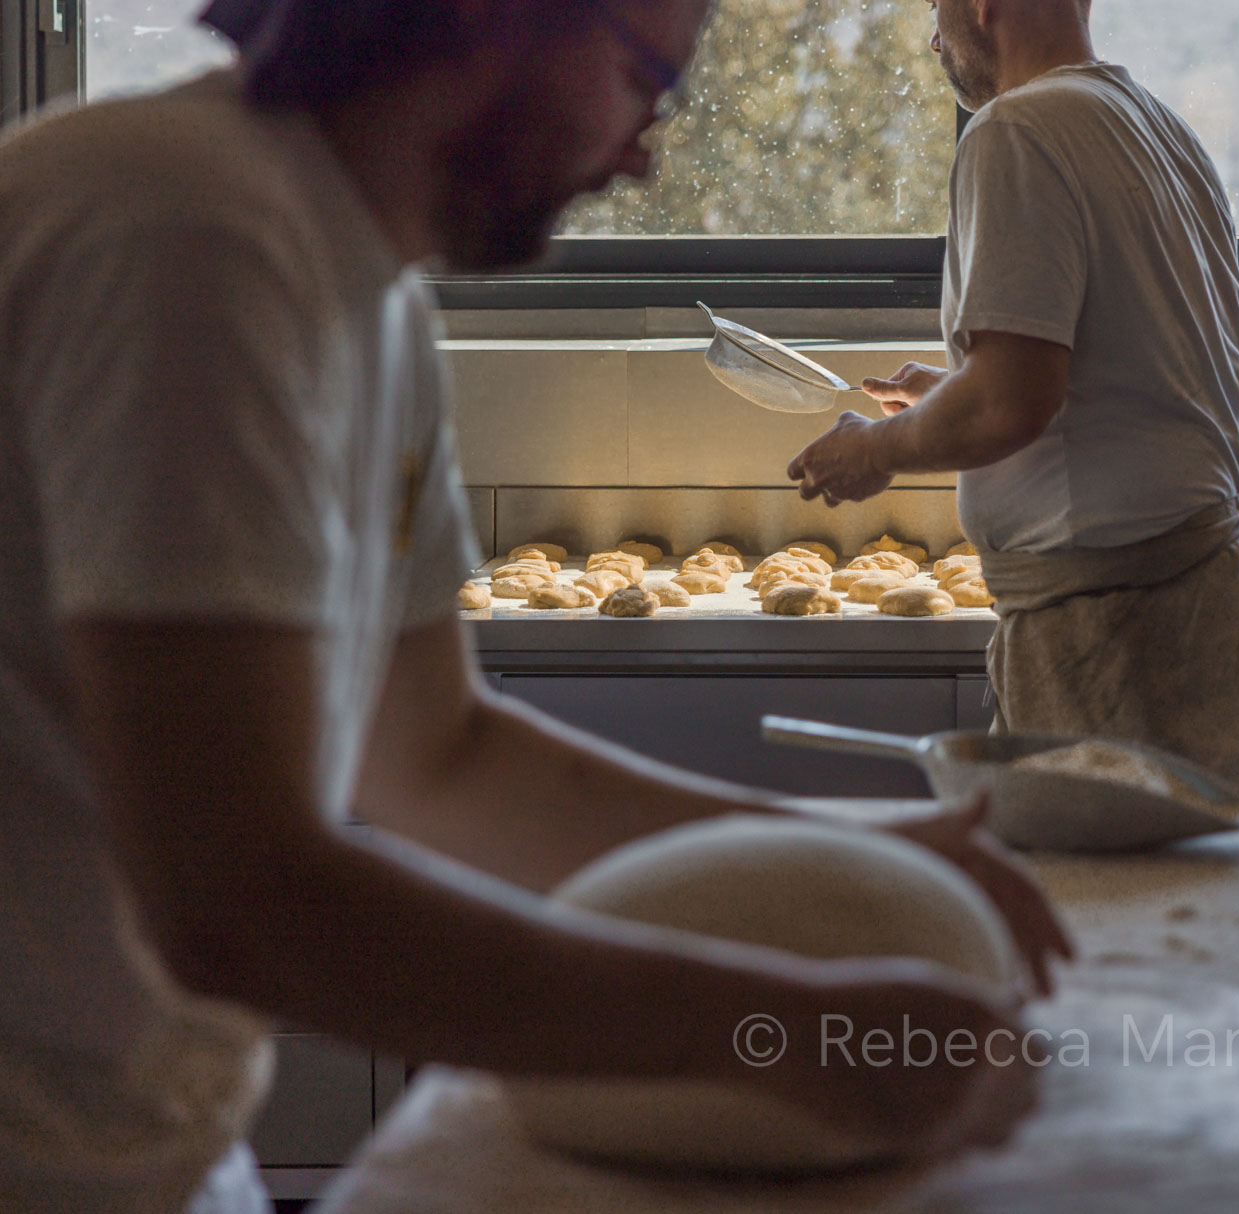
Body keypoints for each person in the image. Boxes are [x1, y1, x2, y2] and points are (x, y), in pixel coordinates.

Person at [0, 1, 1074, 1210]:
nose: (642, 152)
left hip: (149, 1150)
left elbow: (439, 754)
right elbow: (239, 898)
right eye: (641, 82)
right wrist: (782, 1031)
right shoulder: (183, 231)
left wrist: (849, 855)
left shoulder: (371, 292)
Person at [787, 0, 1239, 802]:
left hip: (1128, 615)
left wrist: (873, 451)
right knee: (1165, 899)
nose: (930, 36)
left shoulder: (1015, 131)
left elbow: (1009, 405)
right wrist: (951, 394)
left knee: (1105, 906)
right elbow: (1124, 376)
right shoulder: (1156, 127)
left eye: (934, 6)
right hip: (1221, 592)